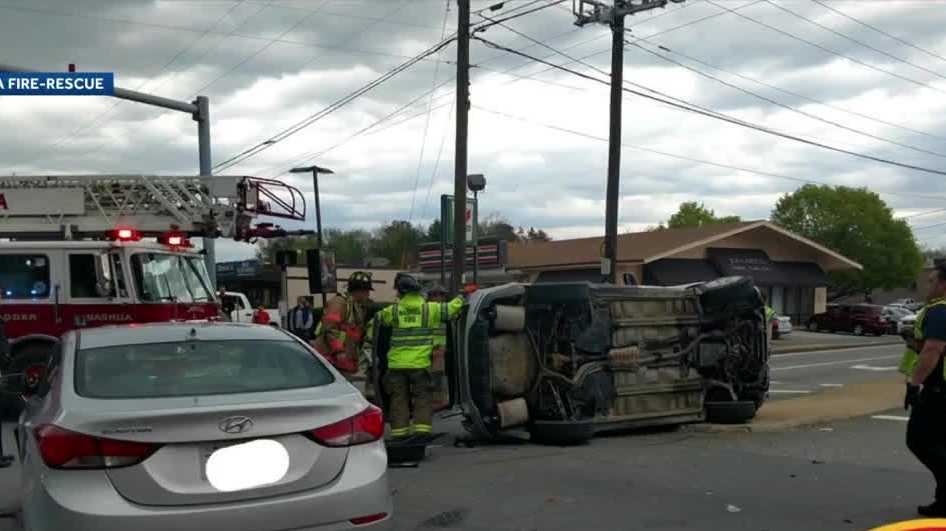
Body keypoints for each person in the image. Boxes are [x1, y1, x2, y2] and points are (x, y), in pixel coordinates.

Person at [365, 274, 464, 441]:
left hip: (396, 365)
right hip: (419, 365)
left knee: (398, 400)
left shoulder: (393, 311)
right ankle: (421, 433)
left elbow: (374, 324)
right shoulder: (430, 309)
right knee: (422, 398)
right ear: (418, 292)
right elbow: (452, 308)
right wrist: (462, 297)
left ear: (401, 293)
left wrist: (369, 343)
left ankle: (400, 434)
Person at [901, 264, 946, 517]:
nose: (928, 286)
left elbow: (933, 350)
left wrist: (914, 384)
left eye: (931, 281)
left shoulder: (940, 311)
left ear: (943, 284)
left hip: (939, 388)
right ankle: (943, 501)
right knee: (940, 442)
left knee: (920, 440)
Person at [312, 271, 374, 380]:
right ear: (358, 290)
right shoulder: (339, 303)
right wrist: (339, 352)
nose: (368, 294)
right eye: (366, 291)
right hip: (331, 359)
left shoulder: (357, 307)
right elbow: (330, 328)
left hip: (343, 361)